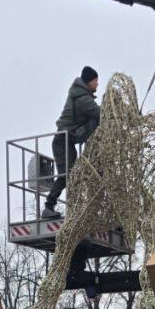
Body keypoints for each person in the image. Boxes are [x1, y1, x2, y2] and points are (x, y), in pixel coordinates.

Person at [42, 67, 100, 219]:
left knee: (72, 174)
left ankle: (75, 208)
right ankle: (48, 206)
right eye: (95, 80)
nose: (97, 84)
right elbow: (101, 114)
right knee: (66, 174)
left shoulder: (82, 96)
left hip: (68, 141)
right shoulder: (82, 99)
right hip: (62, 141)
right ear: (89, 81)